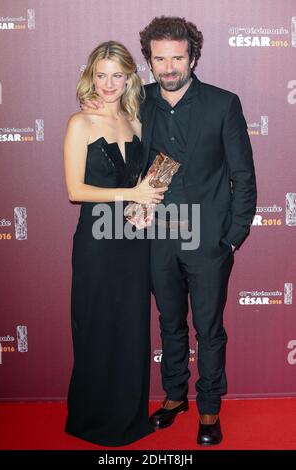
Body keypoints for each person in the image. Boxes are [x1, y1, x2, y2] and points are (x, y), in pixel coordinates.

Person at [81, 16, 257, 446]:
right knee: (170, 323)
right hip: (157, 240)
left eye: (178, 57)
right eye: (160, 59)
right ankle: (175, 396)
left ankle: (210, 407)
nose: (169, 67)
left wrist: (230, 239)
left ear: (193, 56)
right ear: (149, 61)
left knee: (209, 329)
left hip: (209, 242)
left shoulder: (223, 103)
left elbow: (244, 177)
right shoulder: (139, 106)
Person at [63, 40, 167, 446]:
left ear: (130, 78)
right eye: (102, 75)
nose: (109, 84)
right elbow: (75, 190)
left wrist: (149, 199)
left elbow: (147, 182)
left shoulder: (136, 122)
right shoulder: (80, 123)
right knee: (97, 326)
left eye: (117, 75)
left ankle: (129, 417)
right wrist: (133, 195)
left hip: (133, 241)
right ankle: (92, 419)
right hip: (96, 244)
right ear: (91, 75)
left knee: (131, 329)